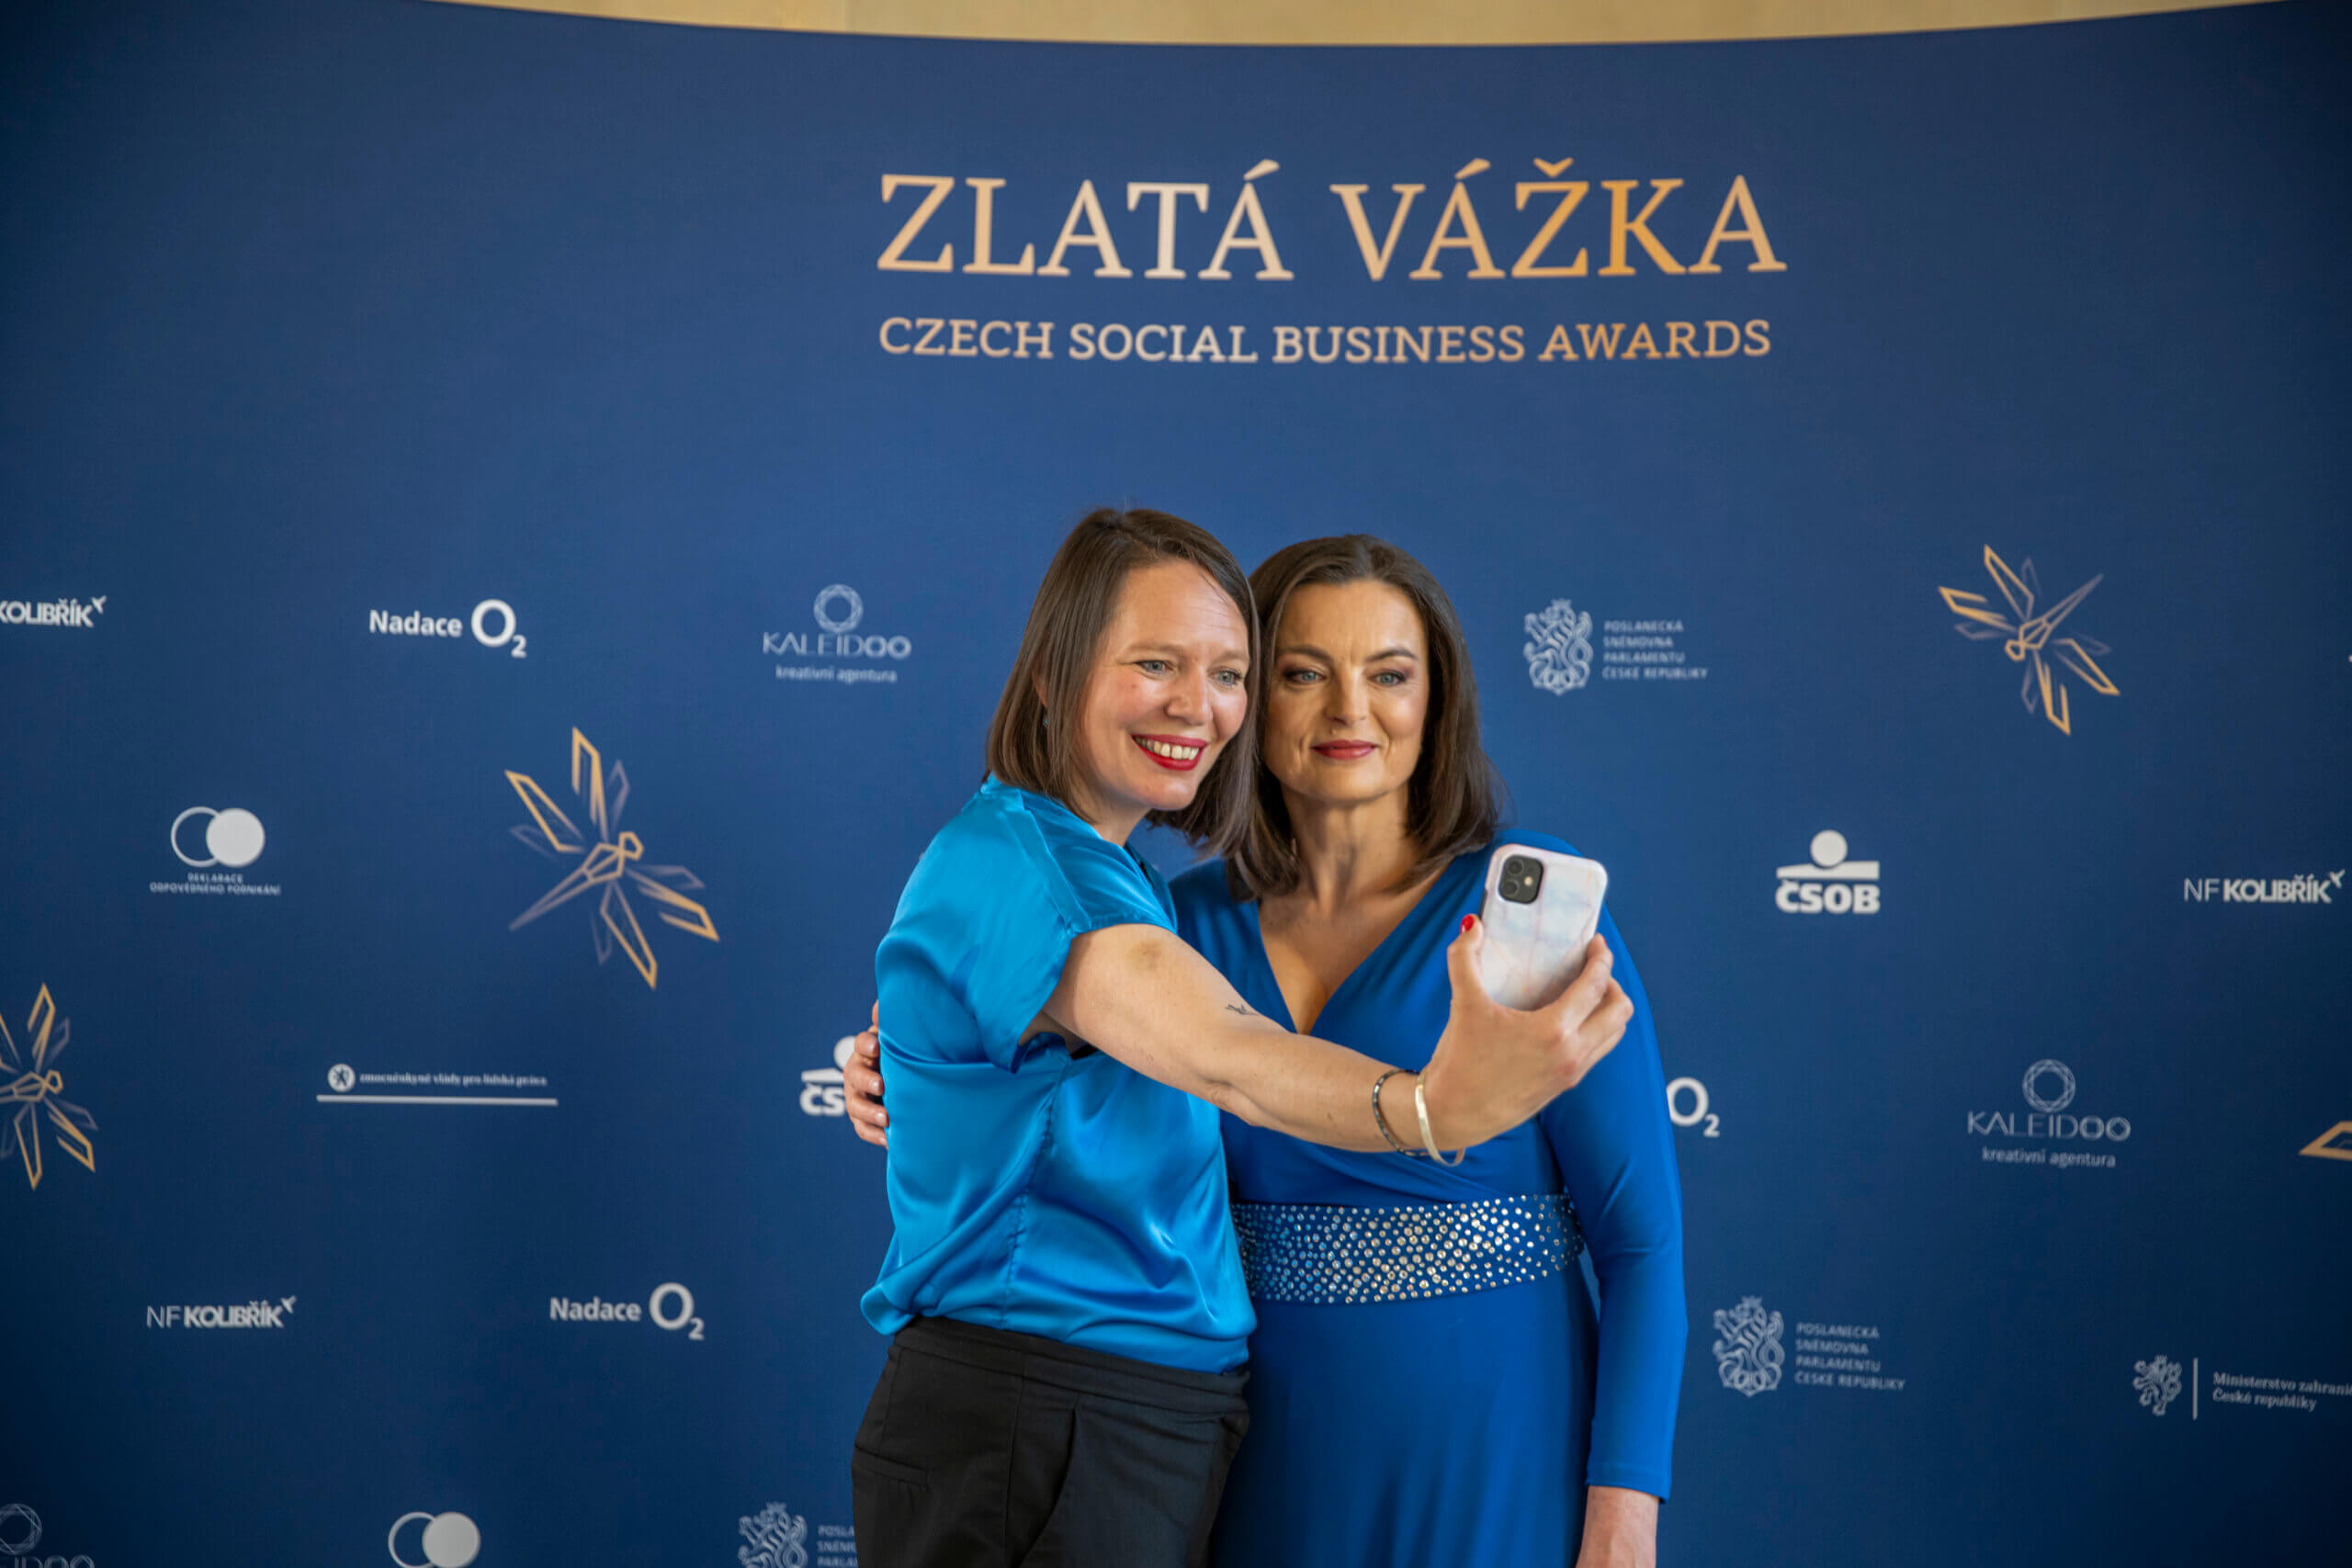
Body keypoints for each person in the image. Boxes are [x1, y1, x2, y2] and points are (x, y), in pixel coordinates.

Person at [847, 533, 1685, 1567]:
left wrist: (1624, 1511)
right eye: (1301, 673)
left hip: (1491, 1442)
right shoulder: (1173, 918)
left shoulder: (1528, 915)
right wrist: (901, 1059)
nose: (1349, 710)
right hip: (1236, 1449)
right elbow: (1128, 1041)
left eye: (1390, 675)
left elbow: (1639, 1240)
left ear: (1439, 702)